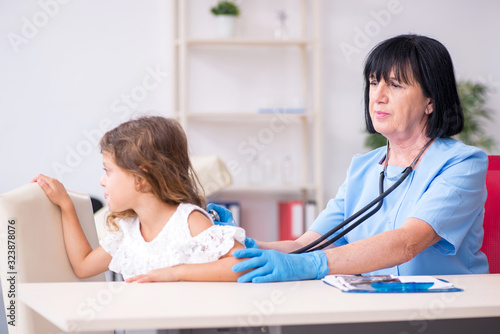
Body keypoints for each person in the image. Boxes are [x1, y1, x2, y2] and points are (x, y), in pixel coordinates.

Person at [208, 34, 490, 283]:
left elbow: (406, 243)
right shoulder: (363, 167)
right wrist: (241, 243)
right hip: (372, 307)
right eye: (373, 82)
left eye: (395, 85)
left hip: (451, 308)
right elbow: (310, 245)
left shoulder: (463, 164)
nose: (377, 96)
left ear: (431, 101)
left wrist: (313, 265)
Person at [33, 116, 246, 282]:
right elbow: (83, 266)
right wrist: (66, 206)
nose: (102, 181)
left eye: (108, 171)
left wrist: (175, 273)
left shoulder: (188, 221)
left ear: (140, 178)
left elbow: (242, 263)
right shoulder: (129, 231)